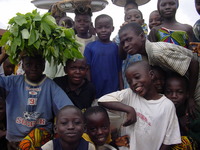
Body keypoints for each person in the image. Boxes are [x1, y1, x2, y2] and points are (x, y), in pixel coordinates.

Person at [118, 22, 199, 116]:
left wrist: (191, 98)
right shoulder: (145, 55)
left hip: (196, 83)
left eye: (129, 40)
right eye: (123, 43)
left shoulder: (157, 52)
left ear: (142, 36)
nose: (126, 45)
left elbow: (194, 64)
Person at [98, 61, 181, 150]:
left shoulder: (167, 105)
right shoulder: (130, 95)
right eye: (129, 82)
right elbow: (102, 100)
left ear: (151, 75)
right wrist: (129, 109)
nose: (133, 83)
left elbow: (169, 140)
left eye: (137, 77)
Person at [0, 54, 73, 150]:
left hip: (39, 138)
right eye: (29, 64)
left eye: (38, 65)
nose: (33, 68)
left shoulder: (50, 86)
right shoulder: (12, 82)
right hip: (14, 139)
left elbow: (68, 110)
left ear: (43, 65)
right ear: (22, 65)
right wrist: (4, 55)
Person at [84, 14, 122, 99]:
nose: (103, 30)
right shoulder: (90, 47)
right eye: (100, 27)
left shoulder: (116, 47)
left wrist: (121, 90)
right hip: (96, 92)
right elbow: (87, 70)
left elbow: (119, 70)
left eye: (107, 27)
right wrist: (90, 90)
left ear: (112, 29)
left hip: (114, 92)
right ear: (95, 29)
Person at [164, 73, 199, 149]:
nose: (174, 96)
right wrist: (179, 123)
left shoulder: (192, 113)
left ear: (187, 94)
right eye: (169, 92)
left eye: (179, 92)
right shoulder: (162, 111)